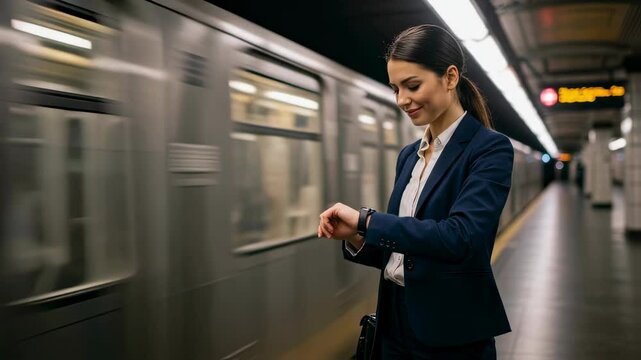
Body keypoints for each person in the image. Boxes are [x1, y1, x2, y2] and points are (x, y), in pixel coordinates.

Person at [318, 24, 513, 359]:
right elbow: (401, 249)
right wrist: (357, 237)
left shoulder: (489, 150)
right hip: (394, 321)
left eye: (412, 85)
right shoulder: (409, 155)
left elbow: (461, 238)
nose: (401, 100)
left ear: (450, 78)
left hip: (451, 333)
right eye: (395, 88)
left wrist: (367, 220)